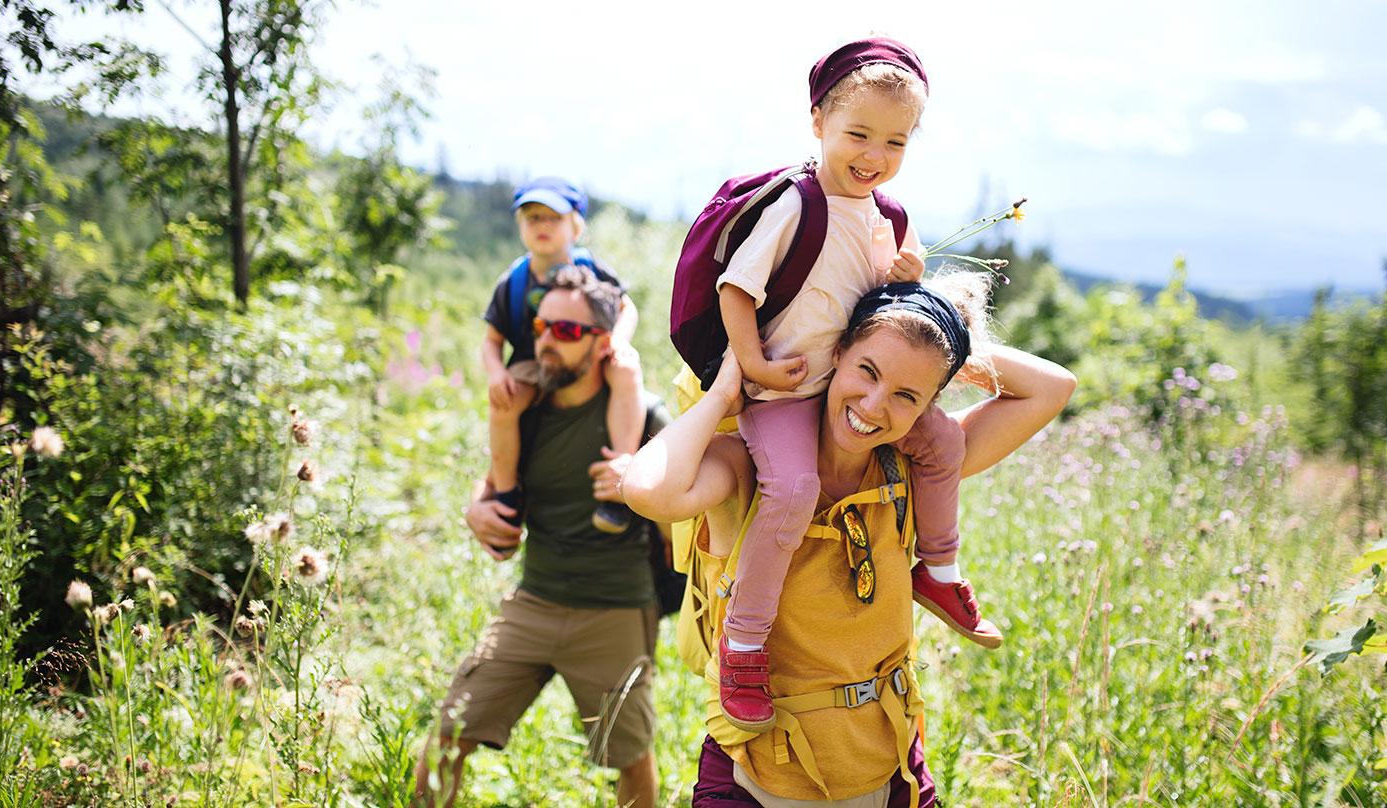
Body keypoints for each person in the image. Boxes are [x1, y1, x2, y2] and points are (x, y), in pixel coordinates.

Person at [623, 277, 1076, 806]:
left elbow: (1054, 387)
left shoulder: (914, 469)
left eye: (907, 395)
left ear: (929, 404)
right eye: (868, 370)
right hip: (755, 776)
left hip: (891, 771)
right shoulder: (747, 466)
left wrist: (935, 333)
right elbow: (648, 490)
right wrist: (727, 392)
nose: (875, 405)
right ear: (835, 353)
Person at [710, 36, 998, 734]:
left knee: (939, 445)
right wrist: (750, 364)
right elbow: (736, 288)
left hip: (846, 383)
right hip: (784, 391)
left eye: (895, 142)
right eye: (858, 134)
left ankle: (938, 566)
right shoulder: (795, 203)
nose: (875, 155)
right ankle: (743, 643)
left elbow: (881, 307)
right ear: (818, 122)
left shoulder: (886, 217)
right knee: (794, 489)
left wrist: (903, 276)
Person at [414, 267, 668, 808]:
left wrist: (642, 492)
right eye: (541, 326)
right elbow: (490, 487)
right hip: (534, 602)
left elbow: (685, 513)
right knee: (446, 736)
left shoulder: (643, 417)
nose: (547, 340)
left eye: (567, 331)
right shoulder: (527, 409)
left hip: (615, 609)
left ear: (603, 344)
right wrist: (474, 512)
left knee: (631, 755)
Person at [482, 176, 644, 534]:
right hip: (531, 361)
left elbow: (626, 307)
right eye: (532, 218)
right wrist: (497, 373)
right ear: (520, 225)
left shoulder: (593, 269)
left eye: (553, 218)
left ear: (576, 225)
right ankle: (507, 494)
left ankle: (617, 476)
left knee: (627, 371)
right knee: (503, 405)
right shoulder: (512, 281)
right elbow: (492, 340)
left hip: (588, 354)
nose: (542, 226)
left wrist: (618, 340)